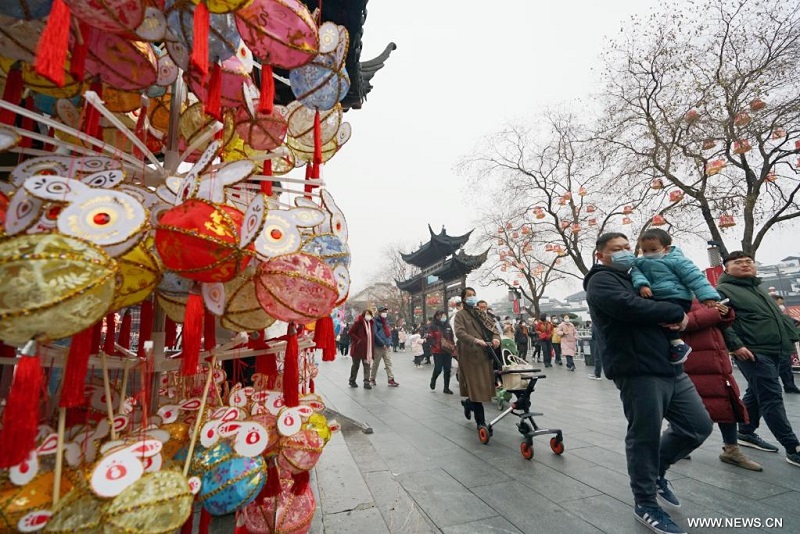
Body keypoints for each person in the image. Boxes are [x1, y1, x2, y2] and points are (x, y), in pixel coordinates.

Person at [585, 232, 712, 534]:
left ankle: (657, 471)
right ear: (600, 254)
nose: (626, 252)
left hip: (668, 364)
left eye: (628, 247)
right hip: (637, 367)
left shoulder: (637, 276)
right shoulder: (601, 281)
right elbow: (629, 308)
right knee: (644, 435)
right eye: (617, 249)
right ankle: (645, 502)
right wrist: (674, 311)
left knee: (698, 426)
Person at [715, 251, 800, 466]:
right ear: (727, 268)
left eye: (748, 262)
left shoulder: (757, 288)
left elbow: (777, 318)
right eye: (738, 262)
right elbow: (722, 320)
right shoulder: (722, 290)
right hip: (753, 351)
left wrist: (791, 336)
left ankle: (745, 431)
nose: (745, 265)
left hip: (776, 349)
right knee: (771, 396)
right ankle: (793, 447)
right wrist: (737, 346)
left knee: (756, 391)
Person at [682, 299, 761, 471]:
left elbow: (718, 324)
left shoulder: (703, 295)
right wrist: (714, 312)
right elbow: (679, 322)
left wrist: (725, 314)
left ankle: (732, 449)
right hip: (692, 361)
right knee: (687, 405)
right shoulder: (669, 292)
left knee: (727, 402)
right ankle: (679, 444)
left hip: (717, 359)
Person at [631, 228, 721, 365]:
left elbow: (695, 278)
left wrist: (708, 296)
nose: (648, 254)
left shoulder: (678, 261)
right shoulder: (640, 263)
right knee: (656, 320)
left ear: (666, 248)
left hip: (676, 296)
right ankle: (671, 345)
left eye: (653, 250)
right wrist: (643, 285)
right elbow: (636, 274)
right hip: (656, 297)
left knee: (667, 320)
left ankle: (677, 343)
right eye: (645, 251)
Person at [454, 287, 500, 430]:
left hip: (485, 355)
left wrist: (496, 339)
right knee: (475, 388)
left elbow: (494, 330)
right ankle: (481, 422)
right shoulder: (460, 315)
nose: (472, 298)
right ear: (463, 298)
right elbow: (459, 333)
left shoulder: (481, 314)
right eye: (469, 295)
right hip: (470, 356)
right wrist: (475, 340)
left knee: (482, 388)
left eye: (474, 295)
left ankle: (468, 404)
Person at [771, 294, 800, 393]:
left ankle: (789, 386)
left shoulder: (782, 315)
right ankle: (788, 386)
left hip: (782, 344)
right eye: (780, 302)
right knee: (783, 367)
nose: (782, 304)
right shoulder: (774, 314)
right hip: (778, 344)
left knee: (785, 367)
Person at [367, 307, 399, 387]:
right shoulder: (375, 321)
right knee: (376, 363)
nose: (385, 313)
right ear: (379, 312)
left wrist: (390, 342)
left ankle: (391, 379)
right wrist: (382, 343)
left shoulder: (386, 322)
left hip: (387, 346)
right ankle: (372, 378)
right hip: (379, 346)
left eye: (386, 311)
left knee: (388, 363)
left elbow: (388, 333)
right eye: (383, 311)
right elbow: (375, 334)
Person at [427, 310, 455, 394]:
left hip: (447, 350)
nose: (443, 317)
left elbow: (451, 337)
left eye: (444, 315)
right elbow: (430, 337)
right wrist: (435, 344)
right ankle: (433, 379)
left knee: (447, 369)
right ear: (437, 316)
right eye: (441, 315)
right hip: (437, 350)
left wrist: (452, 345)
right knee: (438, 368)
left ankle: (446, 388)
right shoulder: (433, 326)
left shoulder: (448, 325)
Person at [347, 310, 374, 389]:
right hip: (357, 348)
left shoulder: (371, 323)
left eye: (369, 314)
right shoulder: (358, 323)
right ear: (363, 315)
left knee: (367, 365)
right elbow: (351, 332)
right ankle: (352, 380)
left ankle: (366, 382)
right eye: (367, 314)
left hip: (367, 349)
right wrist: (358, 340)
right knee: (356, 365)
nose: (368, 315)